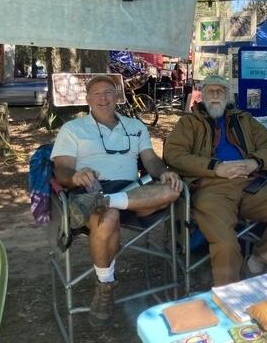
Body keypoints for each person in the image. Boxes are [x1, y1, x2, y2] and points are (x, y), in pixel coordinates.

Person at [50, 75, 183, 326]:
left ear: (118, 96)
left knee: (173, 189)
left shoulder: (136, 126)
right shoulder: (73, 129)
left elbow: (151, 160)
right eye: (97, 93)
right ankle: (104, 286)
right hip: (91, 189)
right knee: (107, 216)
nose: (103, 98)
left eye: (109, 92)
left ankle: (108, 201)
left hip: (132, 193)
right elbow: (62, 171)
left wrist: (163, 172)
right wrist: (76, 176)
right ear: (88, 99)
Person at [165, 77, 267, 285]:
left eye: (221, 91)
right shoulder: (189, 122)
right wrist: (215, 168)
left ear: (228, 96)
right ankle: (230, 298)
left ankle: (258, 260)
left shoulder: (245, 120)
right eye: (211, 91)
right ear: (203, 95)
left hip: (248, 183)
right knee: (226, 244)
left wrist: (254, 162)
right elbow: (174, 155)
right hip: (210, 188)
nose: (216, 95)